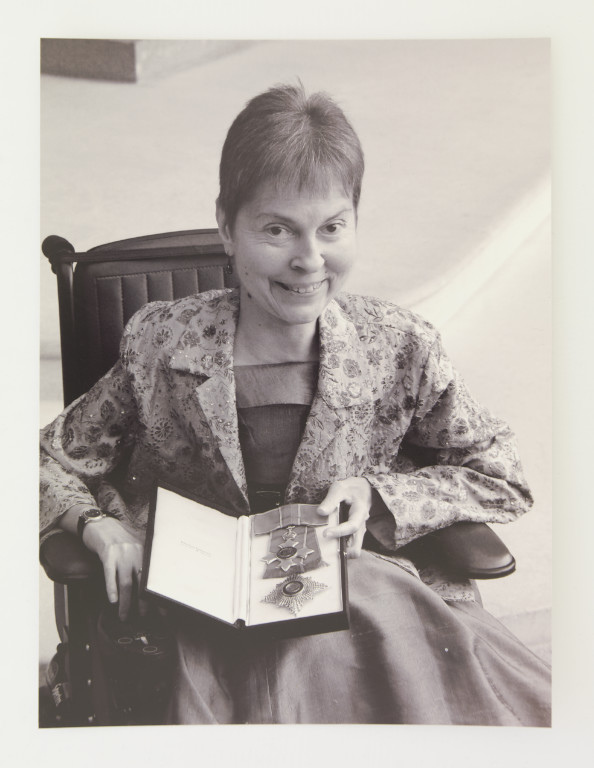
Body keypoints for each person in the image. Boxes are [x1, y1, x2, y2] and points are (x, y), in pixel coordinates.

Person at [40, 83, 551, 725]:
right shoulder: (161, 342)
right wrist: (95, 525)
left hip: (361, 607)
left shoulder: (400, 346)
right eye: (277, 229)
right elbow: (45, 460)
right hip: (209, 622)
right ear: (227, 226)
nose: (309, 260)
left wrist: (375, 494)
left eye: (332, 227)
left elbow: (500, 475)